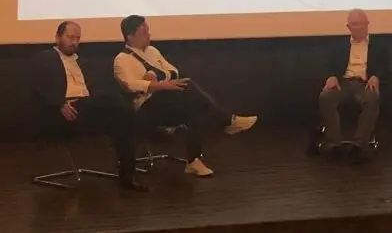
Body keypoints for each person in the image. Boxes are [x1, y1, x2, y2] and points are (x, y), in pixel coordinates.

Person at [113, 15, 257, 177]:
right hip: (144, 108)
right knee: (188, 88)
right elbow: (130, 85)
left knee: (192, 105)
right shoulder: (122, 59)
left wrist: (155, 75)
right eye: (144, 31)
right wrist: (158, 85)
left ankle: (194, 161)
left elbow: (173, 71)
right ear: (130, 36)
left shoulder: (153, 51)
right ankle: (226, 121)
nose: (149, 34)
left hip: (167, 101)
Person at [32, 21, 146, 191]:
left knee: (123, 116)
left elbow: (95, 89)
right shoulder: (45, 58)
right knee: (114, 101)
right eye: (70, 37)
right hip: (63, 110)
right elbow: (38, 86)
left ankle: (127, 175)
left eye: (77, 38)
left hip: (89, 107)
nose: (74, 42)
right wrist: (59, 103)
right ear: (57, 37)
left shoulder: (83, 61)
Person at [318, 8, 387, 163]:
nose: (359, 27)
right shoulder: (339, 45)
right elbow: (328, 65)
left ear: (367, 24)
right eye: (355, 24)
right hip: (343, 82)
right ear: (348, 27)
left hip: (365, 83)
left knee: (372, 99)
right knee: (325, 97)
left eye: (362, 23)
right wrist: (331, 76)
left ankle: (359, 145)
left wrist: (376, 76)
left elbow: (386, 68)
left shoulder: (379, 45)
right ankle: (334, 144)